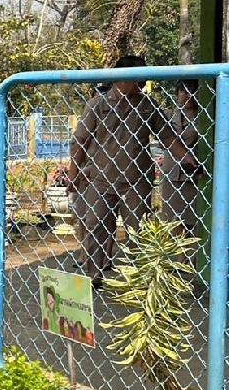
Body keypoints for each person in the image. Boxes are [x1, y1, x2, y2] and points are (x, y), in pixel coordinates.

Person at [69, 55, 190, 287]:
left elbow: (167, 137)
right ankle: (93, 278)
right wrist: (73, 174)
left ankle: (139, 281)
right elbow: (80, 141)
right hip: (100, 180)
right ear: (123, 77)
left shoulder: (147, 105)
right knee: (95, 228)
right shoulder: (98, 104)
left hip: (136, 181)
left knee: (139, 231)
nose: (143, 82)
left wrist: (187, 159)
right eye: (139, 77)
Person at [162, 79, 203, 235]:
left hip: (194, 177)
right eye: (184, 91)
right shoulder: (167, 114)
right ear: (177, 93)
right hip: (171, 175)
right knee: (172, 223)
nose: (188, 95)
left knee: (193, 223)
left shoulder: (203, 117)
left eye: (192, 91)